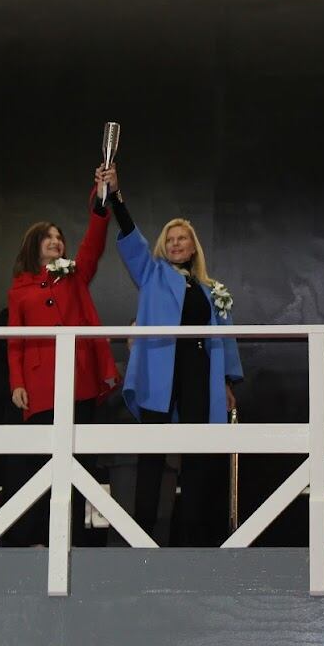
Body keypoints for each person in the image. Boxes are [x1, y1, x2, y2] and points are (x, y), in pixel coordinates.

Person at [96, 162, 243, 547]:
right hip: (162, 369)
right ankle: (142, 535)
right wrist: (116, 196)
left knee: (198, 455)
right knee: (153, 452)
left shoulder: (211, 289)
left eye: (183, 239)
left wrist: (226, 381)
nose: (176, 243)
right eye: (171, 238)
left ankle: (193, 536)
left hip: (198, 370)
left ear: (193, 246)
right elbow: (130, 234)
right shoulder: (152, 273)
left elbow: (223, 337)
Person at [0, 185, 119, 546]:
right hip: (39, 389)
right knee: (40, 466)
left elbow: (94, 243)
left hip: (79, 380)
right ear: (33, 245)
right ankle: (39, 540)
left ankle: (72, 542)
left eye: (58, 237)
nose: (55, 241)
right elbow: (15, 341)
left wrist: (102, 200)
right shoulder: (19, 291)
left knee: (80, 463)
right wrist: (17, 382)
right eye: (47, 237)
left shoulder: (74, 275)